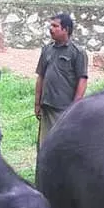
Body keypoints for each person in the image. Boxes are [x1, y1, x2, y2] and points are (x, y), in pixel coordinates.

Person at [34, 12, 88, 148]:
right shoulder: (46, 50)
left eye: (55, 26)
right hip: (47, 107)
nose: (51, 29)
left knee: (62, 146)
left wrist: (75, 107)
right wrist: (37, 103)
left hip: (64, 109)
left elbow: (82, 80)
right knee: (44, 146)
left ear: (66, 29)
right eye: (51, 25)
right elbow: (40, 76)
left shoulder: (77, 53)